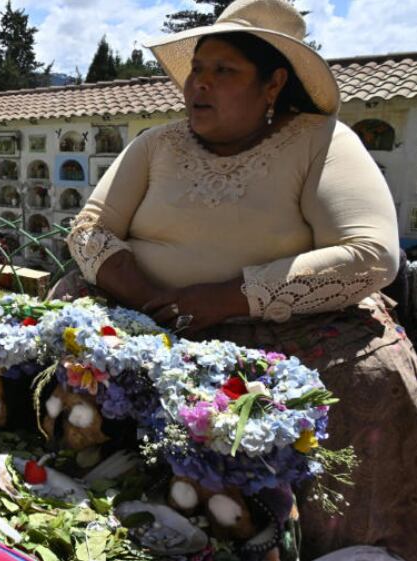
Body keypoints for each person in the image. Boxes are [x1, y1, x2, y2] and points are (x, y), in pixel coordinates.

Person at [58, 0, 417, 559]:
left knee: (374, 373)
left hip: (273, 328)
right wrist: (154, 298)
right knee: (63, 325)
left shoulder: (320, 140)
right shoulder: (156, 144)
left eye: (223, 71)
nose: (199, 84)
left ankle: (332, 543)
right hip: (146, 310)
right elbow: (89, 231)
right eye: (198, 70)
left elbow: (370, 254)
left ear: (273, 83)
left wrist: (227, 298)